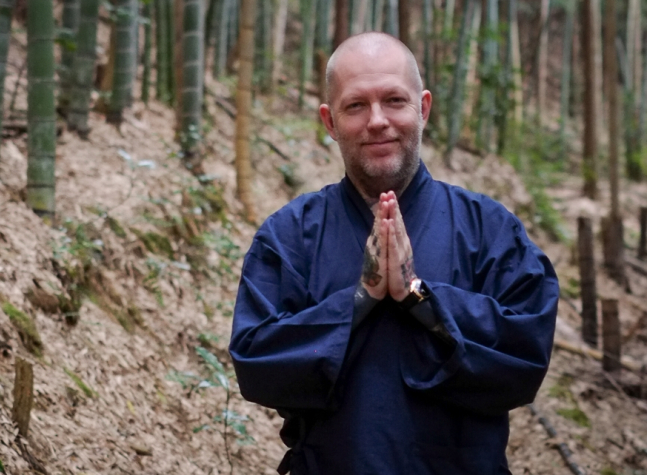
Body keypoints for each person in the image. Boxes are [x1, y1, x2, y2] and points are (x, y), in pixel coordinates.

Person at [228, 32, 559, 475]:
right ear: (329, 122)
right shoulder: (290, 235)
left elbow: (526, 355)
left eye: (394, 101)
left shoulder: (489, 228)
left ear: (422, 108)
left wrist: (418, 297)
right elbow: (255, 362)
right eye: (356, 105)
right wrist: (360, 299)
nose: (378, 120)